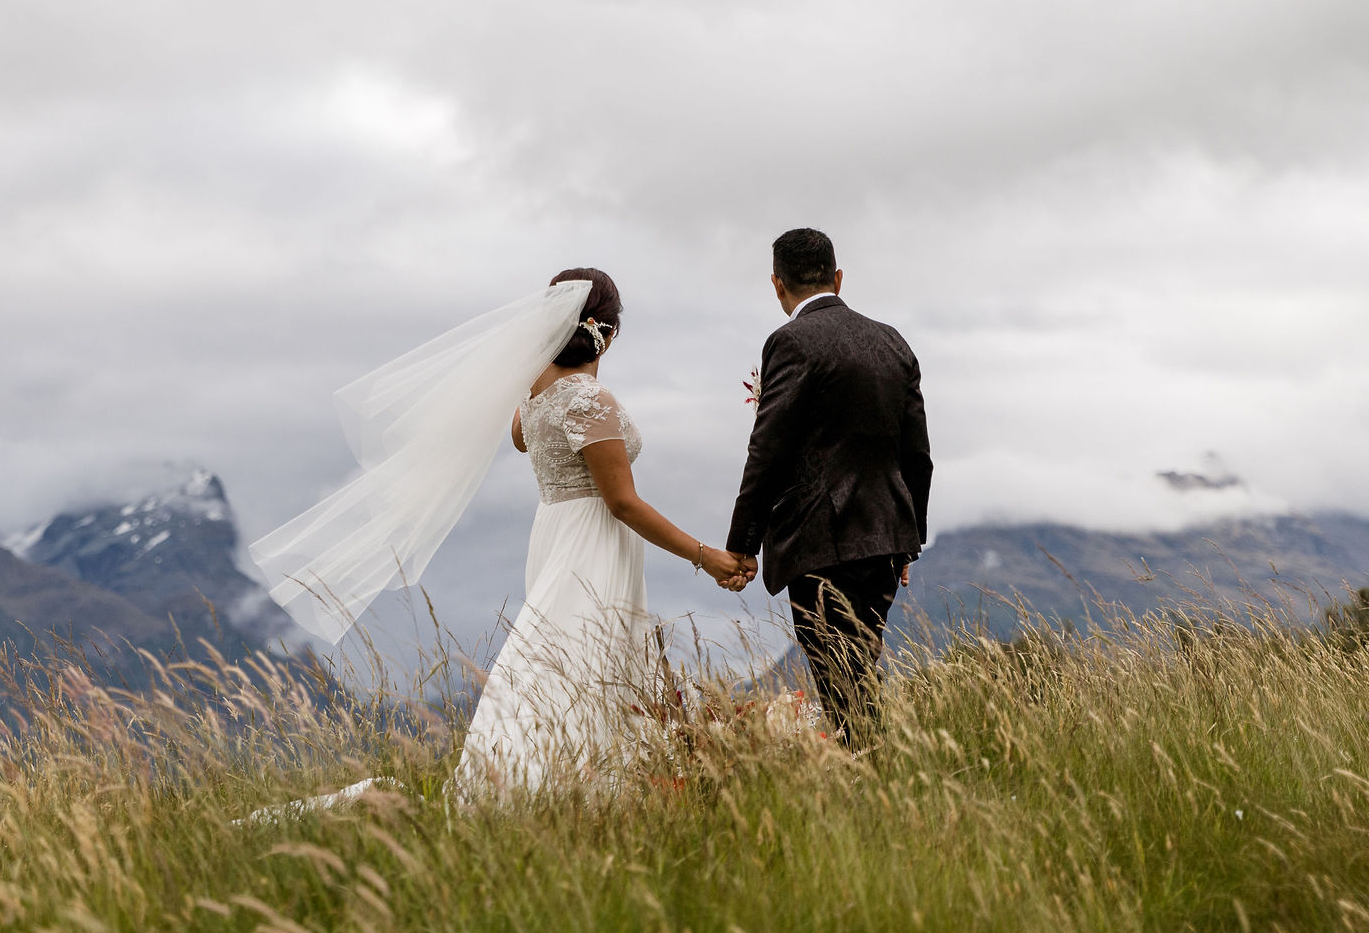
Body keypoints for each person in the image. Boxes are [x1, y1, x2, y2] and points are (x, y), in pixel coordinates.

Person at [249, 268, 754, 798]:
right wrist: (705, 555)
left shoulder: (536, 395)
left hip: (555, 530)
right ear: (611, 331)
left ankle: (587, 783)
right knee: (573, 659)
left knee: (568, 660)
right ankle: (539, 786)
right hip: (591, 542)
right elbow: (623, 503)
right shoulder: (589, 400)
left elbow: (520, 437)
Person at [727, 229, 933, 744]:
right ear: (837, 278)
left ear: (777, 285)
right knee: (858, 676)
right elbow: (918, 455)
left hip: (822, 543)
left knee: (842, 687)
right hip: (885, 537)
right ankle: (874, 778)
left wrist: (742, 546)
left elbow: (766, 451)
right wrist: (909, 539)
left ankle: (870, 784)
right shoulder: (893, 341)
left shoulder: (790, 342)